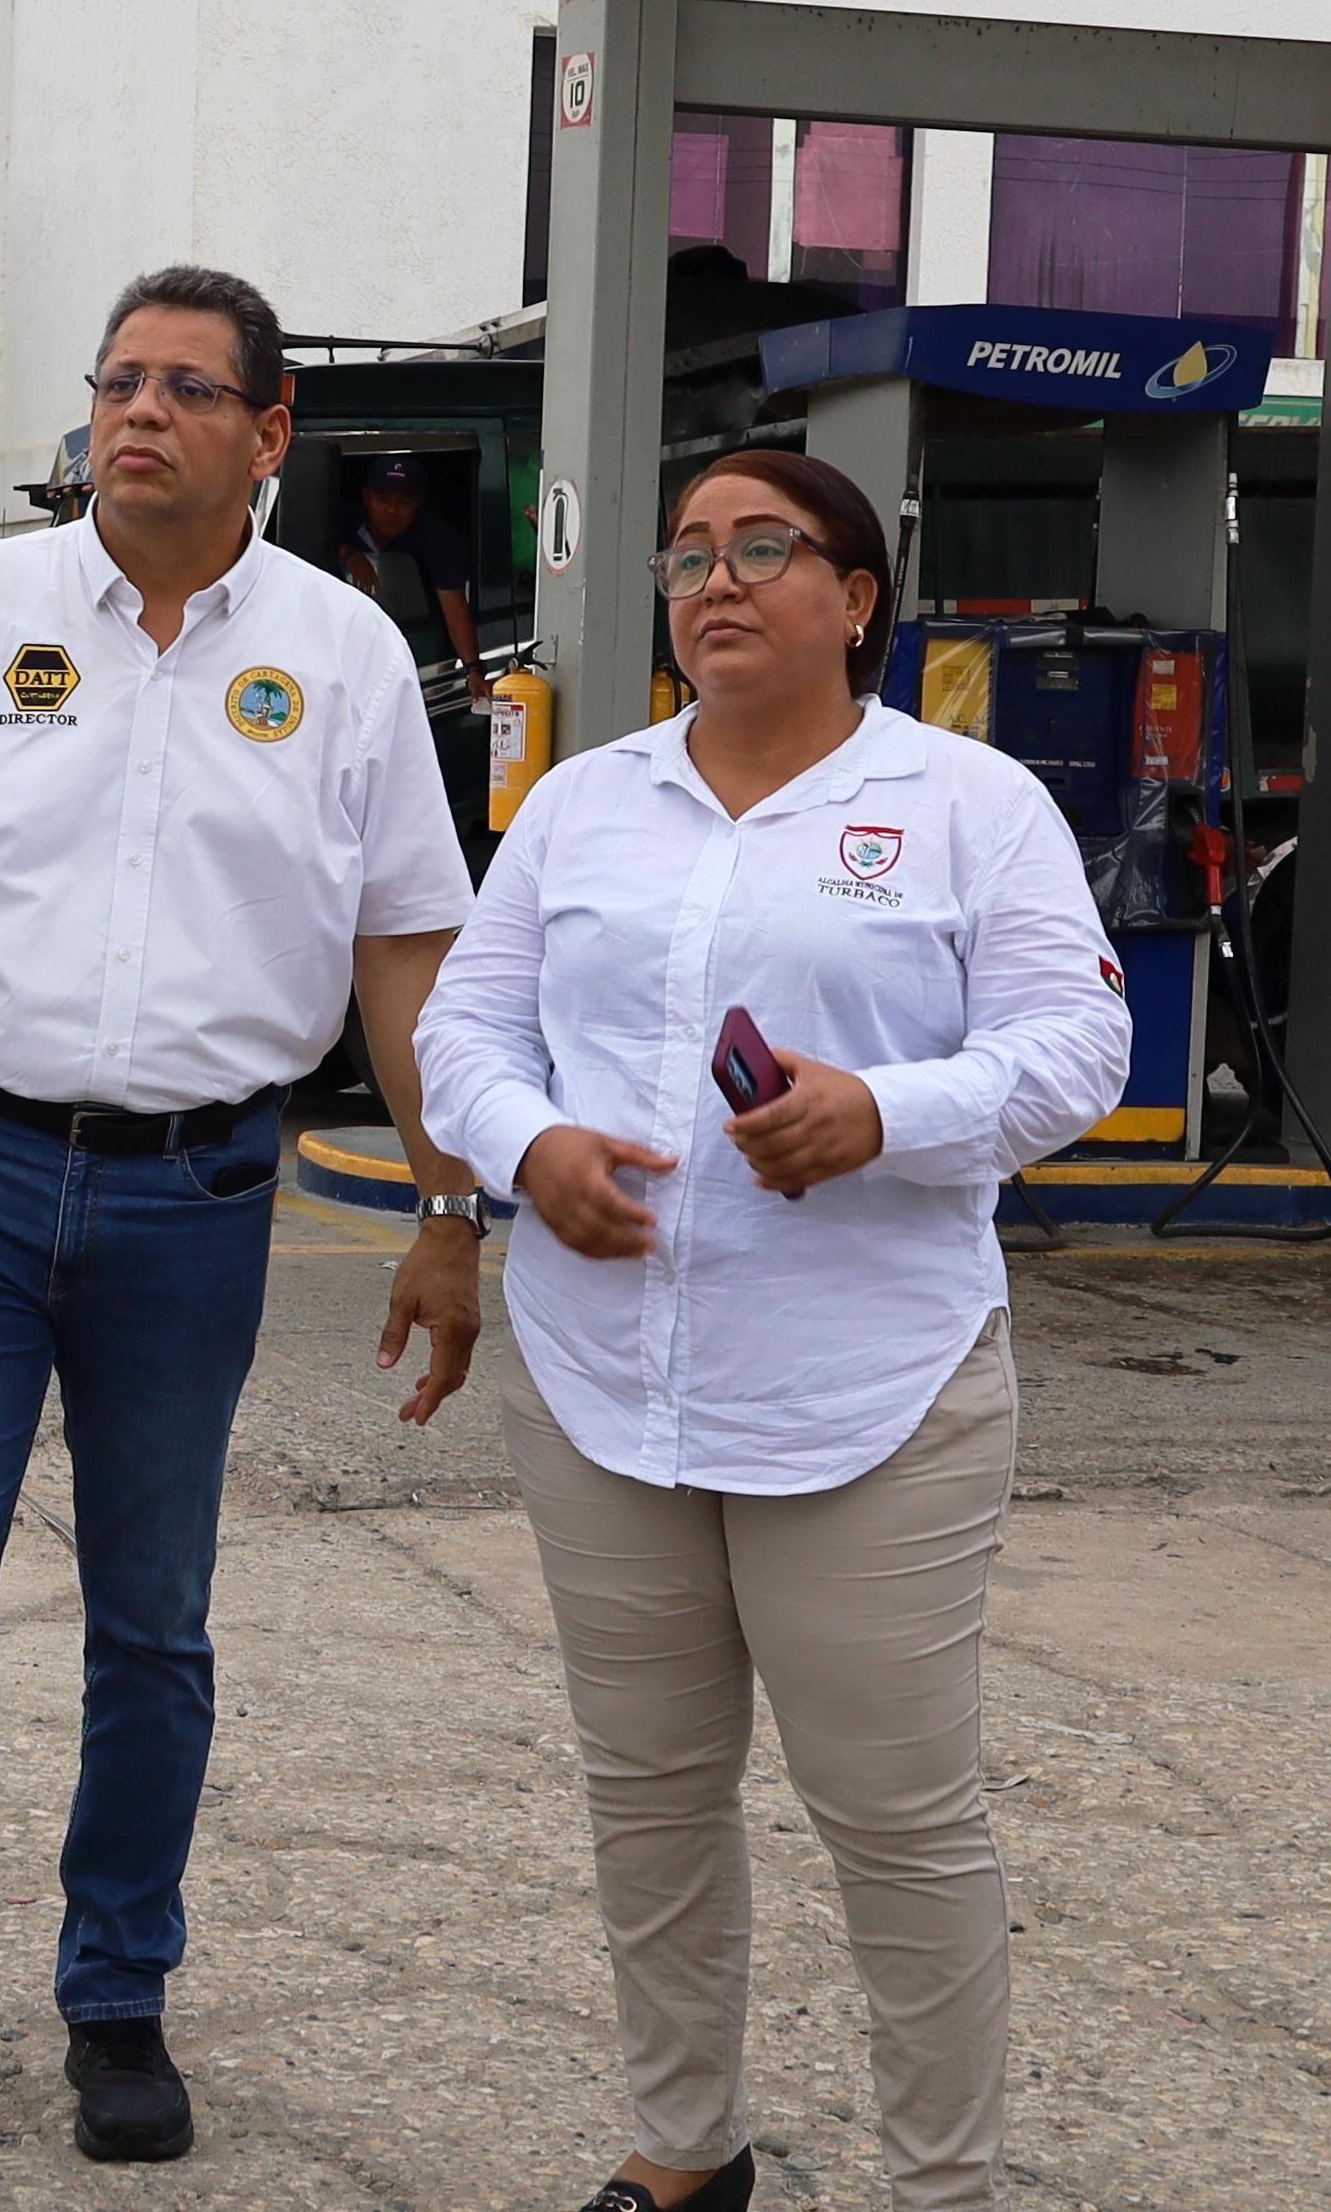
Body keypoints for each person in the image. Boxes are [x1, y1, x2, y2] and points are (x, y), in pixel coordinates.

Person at [0, 265, 489, 2212]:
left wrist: (450, 1212)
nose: (140, 414)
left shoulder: (347, 654)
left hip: (198, 1196)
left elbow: (406, 945)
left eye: (188, 389)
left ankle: (116, 2000)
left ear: (270, 434)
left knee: (155, 1627)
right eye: (118, 381)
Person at [411, 449, 1130, 2212]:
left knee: (893, 1816)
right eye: (686, 557)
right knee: (647, 1791)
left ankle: (940, 2186)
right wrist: (530, 1149)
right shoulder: (583, 804)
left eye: (761, 550)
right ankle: (682, 2151)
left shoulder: (967, 802)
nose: (713, 582)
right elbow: (463, 1033)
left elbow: (1075, 1049)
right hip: (601, 1387)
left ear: (854, 596)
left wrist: (881, 1110)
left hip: (864, 1390)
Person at [340, 450, 490, 698]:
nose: (392, 510)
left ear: (419, 504)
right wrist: (348, 553)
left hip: (416, 658)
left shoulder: (437, 539)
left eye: (405, 501)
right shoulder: (338, 522)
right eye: (382, 498)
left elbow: (452, 601)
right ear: (366, 497)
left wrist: (473, 669)